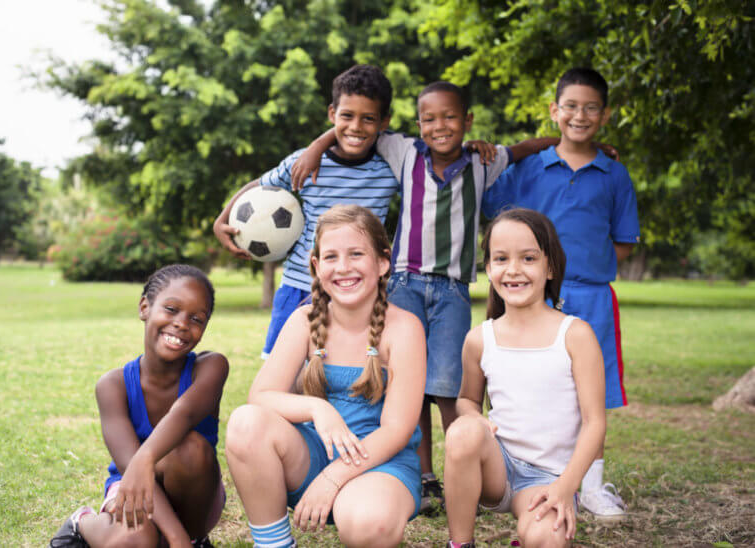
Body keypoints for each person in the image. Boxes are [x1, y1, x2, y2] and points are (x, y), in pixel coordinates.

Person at [291, 81, 601, 513]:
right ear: (417, 125)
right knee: (409, 384)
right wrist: (313, 149)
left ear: (468, 121)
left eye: (451, 117)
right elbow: (356, 127)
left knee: (448, 384)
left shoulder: (482, 162)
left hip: (453, 288)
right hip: (404, 281)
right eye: (430, 119)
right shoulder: (403, 152)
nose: (441, 126)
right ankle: (423, 476)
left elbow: (527, 146)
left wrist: (583, 147)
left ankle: (463, 471)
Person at [482, 67, 639, 519]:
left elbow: (623, 240)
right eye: (570, 105)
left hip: (591, 295)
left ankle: (590, 485)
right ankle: (519, 473)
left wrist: (585, 268)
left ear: (605, 115)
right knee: (532, 382)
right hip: (534, 293)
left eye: (591, 107)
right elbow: (494, 210)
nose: (580, 115)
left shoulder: (614, 174)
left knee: (595, 387)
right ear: (555, 111)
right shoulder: (531, 167)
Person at [225, 205, 426, 548]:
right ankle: (274, 544)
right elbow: (261, 396)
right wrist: (319, 410)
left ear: (383, 262)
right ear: (317, 268)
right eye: (331, 257)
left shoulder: (404, 328)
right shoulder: (305, 320)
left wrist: (334, 478)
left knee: (368, 525)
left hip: (380, 464)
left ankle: (363, 509)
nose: (343, 267)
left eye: (356, 254)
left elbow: (396, 431)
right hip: (313, 455)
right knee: (246, 423)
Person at [443, 208, 606, 548]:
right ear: (488, 269)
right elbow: (467, 400)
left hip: (548, 479)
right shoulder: (480, 338)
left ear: (550, 266)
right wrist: (474, 420)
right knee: (462, 431)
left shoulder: (575, 335)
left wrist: (566, 486)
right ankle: (460, 544)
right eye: (501, 259)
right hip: (496, 469)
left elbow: (595, 423)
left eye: (528, 258)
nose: (513, 270)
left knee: (546, 539)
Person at [212, 64, 399, 360]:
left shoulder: (391, 168)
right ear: (331, 114)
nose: (356, 127)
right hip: (300, 285)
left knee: (343, 372)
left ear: (384, 122)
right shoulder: (306, 162)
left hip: (357, 291)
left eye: (368, 119)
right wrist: (221, 221)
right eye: (347, 116)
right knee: (284, 374)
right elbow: (260, 184)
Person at [49, 265, 229, 548]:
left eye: (196, 318)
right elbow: (130, 464)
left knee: (191, 448)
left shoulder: (211, 367)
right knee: (139, 537)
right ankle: (83, 523)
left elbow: (185, 413)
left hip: (194, 495)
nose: (182, 323)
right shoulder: (113, 386)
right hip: (134, 485)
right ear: (145, 307)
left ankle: (193, 539)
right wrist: (176, 538)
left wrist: (145, 457)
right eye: (171, 309)